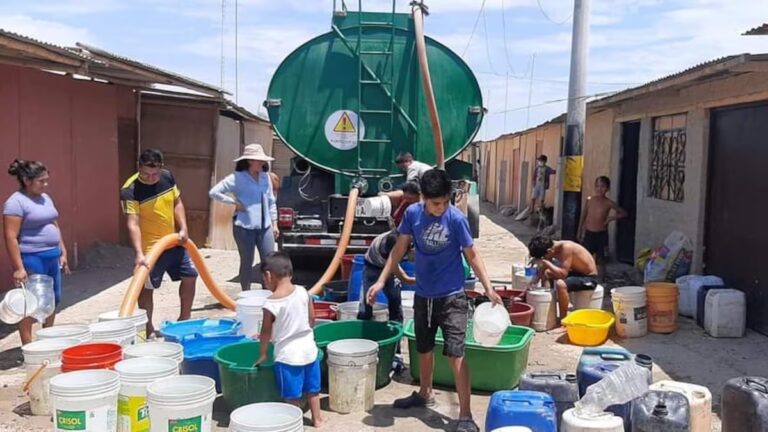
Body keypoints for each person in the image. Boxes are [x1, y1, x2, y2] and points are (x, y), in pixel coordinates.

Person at [367, 169, 502, 432]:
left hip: (452, 298)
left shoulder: (456, 219)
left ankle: (465, 415)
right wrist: (382, 280)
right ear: (423, 199)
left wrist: (488, 287)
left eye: (444, 202)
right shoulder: (413, 215)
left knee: (456, 355)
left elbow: (472, 255)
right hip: (423, 295)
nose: (440, 208)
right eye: (435, 203)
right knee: (424, 348)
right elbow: (399, 248)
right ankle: (424, 393)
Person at [121, 149, 197, 337]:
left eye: (154, 174)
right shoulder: (129, 190)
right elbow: (133, 223)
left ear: (161, 169)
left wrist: (184, 228)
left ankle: (184, 319)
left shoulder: (167, 177)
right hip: (150, 250)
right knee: (146, 288)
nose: (150, 178)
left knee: (191, 276)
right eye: (145, 174)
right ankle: (148, 328)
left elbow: (177, 203)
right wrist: (139, 253)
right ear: (139, 167)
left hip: (174, 242)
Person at [3, 160, 70, 345]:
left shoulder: (45, 198)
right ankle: (29, 346)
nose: (45, 185)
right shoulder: (15, 203)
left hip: (52, 256)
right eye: (41, 181)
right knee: (30, 303)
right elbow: (10, 237)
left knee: (53, 299)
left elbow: (53, 223)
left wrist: (62, 251)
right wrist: (19, 268)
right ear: (26, 180)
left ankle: (47, 339)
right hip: (32, 258)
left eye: (46, 180)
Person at [255, 252, 324, 427]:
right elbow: (312, 319)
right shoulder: (303, 292)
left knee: (292, 396)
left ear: (268, 275)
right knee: (313, 391)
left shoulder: (271, 303)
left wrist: (262, 353)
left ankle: (294, 424)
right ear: (290, 273)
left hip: (288, 357)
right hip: (309, 351)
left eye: (264, 279)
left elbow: (265, 332)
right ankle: (318, 420)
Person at [209, 143, 278, 291]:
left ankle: (268, 293)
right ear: (249, 161)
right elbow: (215, 192)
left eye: (262, 160)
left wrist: (275, 223)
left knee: (270, 261)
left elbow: (271, 200)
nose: (262, 163)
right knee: (247, 261)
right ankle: (246, 293)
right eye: (258, 160)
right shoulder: (236, 178)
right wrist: (233, 202)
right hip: (244, 226)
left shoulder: (266, 177)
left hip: (265, 226)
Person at [527, 234, 598, 320]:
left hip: (589, 278)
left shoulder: (566, 248)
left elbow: (563, 274)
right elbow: (543, 268)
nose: (544, 259)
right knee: (547, 273)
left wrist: (546, 262)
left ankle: (563, 320)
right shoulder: (552, 249)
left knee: (561, 285)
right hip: (576, 272)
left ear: (549, 251)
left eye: (544, 257)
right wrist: (533, 282)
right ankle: (549, 303)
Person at [357, 229, 416, 322]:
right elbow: (402, 276)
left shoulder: (404, 237)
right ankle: (364, 325)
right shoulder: (384, 250)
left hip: (390, 263)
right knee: (368, 299)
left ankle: (396, 325)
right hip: (372, 266)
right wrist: (413, 280)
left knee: (395, 299)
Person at [578, 176, 627, 280]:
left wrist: (610, 218)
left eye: (603, 186)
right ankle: (584, 277)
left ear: (607, 189)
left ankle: (601, 281)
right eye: (597, 186)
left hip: (601, 235)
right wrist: (580, 230)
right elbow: (584, 215)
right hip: (589, 233)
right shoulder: (590, 200)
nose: (600, 189)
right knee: (584, 256)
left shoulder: (608, 203)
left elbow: (623, 213)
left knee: (601, 259)